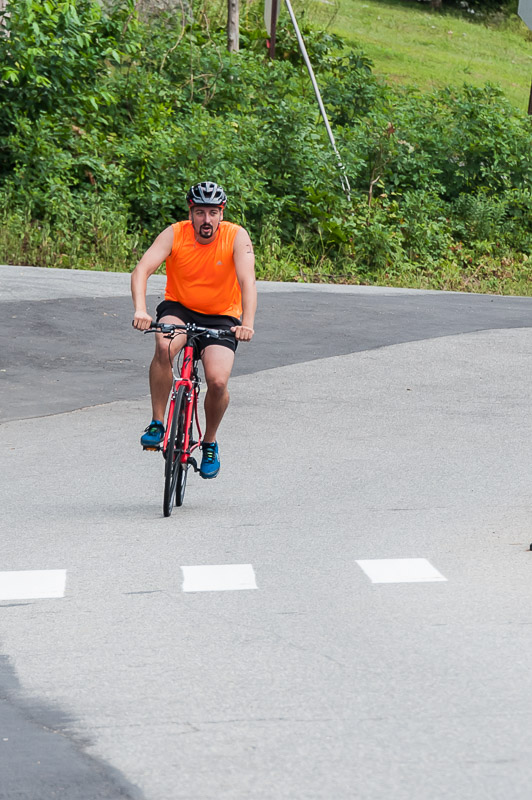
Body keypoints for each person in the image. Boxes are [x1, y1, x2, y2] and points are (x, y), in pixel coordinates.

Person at [131, 181, 256, 479]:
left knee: (218, 381)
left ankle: (209, 442)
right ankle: (157, 422)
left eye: (213, 212)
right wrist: (140, 309)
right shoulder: (175, 233)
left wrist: (247, 323)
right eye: (200, 212)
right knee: (164, 347)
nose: (206, 219)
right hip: (180, 308)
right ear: (191, 213)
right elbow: (141, 270)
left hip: (222, 317)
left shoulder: (236, 236)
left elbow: (247, 281)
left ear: (221, 214)